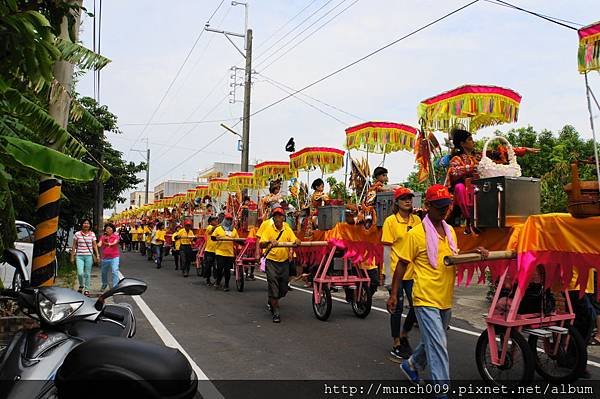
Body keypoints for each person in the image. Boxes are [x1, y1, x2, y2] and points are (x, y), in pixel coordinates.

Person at [387, 184, 488, 396]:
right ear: (427, 206)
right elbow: (402, 265)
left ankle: (411, 365)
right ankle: (442, 391)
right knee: (439, 343)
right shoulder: (415, 234)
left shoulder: (449, 230)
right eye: (439, 206)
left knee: (432, 340)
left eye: (447, 206)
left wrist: (474, 251)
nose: (444, 210)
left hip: (445, 297)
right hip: (424, 297)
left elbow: (452, 256)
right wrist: (394, 294)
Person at [382, 187, 422, 361]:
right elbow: (387, 250)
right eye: (404, 198)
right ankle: (396, 342)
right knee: (396, 308)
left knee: (417, 305)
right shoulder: (390, 221)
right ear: (396, 202)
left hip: (414, 272)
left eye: (409, 198)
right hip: (397, 272)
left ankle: (404, 333)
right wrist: (387, 275)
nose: (408, 201)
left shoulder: (417, 220)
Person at [260, 207, 301, 323]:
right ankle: (276, 312)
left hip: (284, 262)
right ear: (273, 218)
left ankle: (272, 299)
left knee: (283, 290)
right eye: (276, 216)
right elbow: (261, 244)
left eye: (280, 216)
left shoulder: (287, 229)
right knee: (273, 287)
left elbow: (294, 240)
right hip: (271, 262)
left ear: (284, 218)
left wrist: (297, 242)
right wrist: (269, 242)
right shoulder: (268, 229)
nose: (278, 218)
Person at [70, 219, 100, 297]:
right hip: (79, 256)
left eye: (88, 223)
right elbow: (74, 246)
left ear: (90, 225)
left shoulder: (92, 234)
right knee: (80, 273)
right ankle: (81, 285)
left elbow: (94, 245)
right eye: (84, 223)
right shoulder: (77, 234)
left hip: (89, 256)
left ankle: (86, 289)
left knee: (87, 273)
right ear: (82, 224)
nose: (86, 225)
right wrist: (72, 256)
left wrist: (97, 255)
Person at [211, 214, 239, 291]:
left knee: (227, 270)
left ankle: (226, 285)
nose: (229, 221)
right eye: (228, 219)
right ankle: (218, 281)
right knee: (219, 268)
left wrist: (244, 242)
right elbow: (213, 237)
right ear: (224, 220)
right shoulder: (219, 229)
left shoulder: (234, 230)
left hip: (229, 253)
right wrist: (216, 238)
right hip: (220, 252)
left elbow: (237, 239)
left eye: (230, 220)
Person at [98, 223, 120, 291]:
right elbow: (100, 243)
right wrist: (98, 244)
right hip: (105, 258)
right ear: (105, 230)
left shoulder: (116, 236)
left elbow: (115, 242)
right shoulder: (103, 237)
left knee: (114, 270)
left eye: (110, 228)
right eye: (107, 228)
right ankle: (104, 284)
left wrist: (110, 244)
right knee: (104, 272)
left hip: (114, 257)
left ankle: (115, 287)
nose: (109, 229)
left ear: (113, 229)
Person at [203, 216, 219, 286]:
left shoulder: (218, 229)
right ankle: (208, 280)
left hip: (217, 250)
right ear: (210, 222)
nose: (216, 222)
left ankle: (217, 279)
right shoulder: (209, 227)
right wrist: (220, 225)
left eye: (216, 220)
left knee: (217, 266)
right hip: (209, 250)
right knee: (208, 266)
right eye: (214, 220)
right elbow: (213, 228)